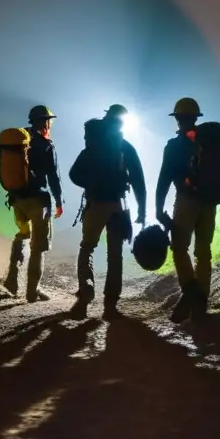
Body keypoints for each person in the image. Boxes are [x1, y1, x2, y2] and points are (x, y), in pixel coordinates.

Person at [67, 104, 146, 321]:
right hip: (118, 206)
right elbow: (139, 180)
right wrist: (142, 209)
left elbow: (74, 174)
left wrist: (92, 184)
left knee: (87, 248)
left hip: (94, 204)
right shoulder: (125, 147)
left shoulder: (93, 144)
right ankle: (110, 304)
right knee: (115, 254)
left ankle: (86, 291)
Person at [155, 97, 217, 323]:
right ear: (196, 117)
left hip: (186, 201)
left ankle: (190, 292)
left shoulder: (174, 146)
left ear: (178, 119)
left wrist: (158, 208)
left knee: (180, 247)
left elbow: (164, 179)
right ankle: (201, 305)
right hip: (209, 202)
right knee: (204, 252)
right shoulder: (209, 142)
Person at [3, 104, 64, 303]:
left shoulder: (17, 140)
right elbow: (54, 176)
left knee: (22, 235)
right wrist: (58, 201)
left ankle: (12, 282)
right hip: (38, 201)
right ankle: (32, 291)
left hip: (17, 199)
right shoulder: (46, 145)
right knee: (38, 245)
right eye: (49, 120)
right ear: (45, 122)